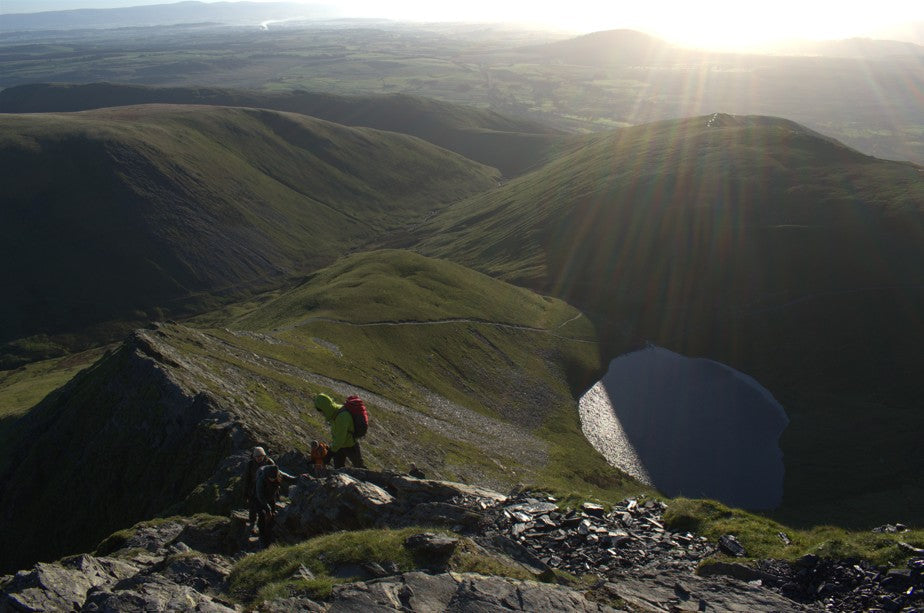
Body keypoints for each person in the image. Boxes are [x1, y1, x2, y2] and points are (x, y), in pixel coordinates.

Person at [314, 393, 366, 469]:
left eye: (321, 410)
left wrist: (330, 454)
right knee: (338, 469)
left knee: (360, 468)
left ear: (324, 408)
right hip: (340, 446)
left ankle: (371, 480)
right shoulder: (333, 412)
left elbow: (340, 439)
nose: (321, 413)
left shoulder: (341, 416)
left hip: (350, 445)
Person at [253, 463, 295, 547]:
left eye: (274, 478)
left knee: (272, 517)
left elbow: (289, 478)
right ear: (267, 475)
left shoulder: (278, 474)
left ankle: (269, 536)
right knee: (262, 516)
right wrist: (267, 509)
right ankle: (262, 538)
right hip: (259, 499)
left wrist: (299, 477)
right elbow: (260, 496)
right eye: (270, 478)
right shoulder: (261, 479)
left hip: (271, 497)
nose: (272, 479)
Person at [242, 446, 275, 535]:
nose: (258, 458)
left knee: (265, 508)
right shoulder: (250, 464)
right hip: (254, 489)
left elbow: (275, 476)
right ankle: (252, 525)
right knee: (252, 507)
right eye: (257, 457)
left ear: (264, 456)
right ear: (253, 457)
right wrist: (246, 493)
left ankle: (266, 527)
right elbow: (247, 479)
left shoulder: (269, 463)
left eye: (260, 456)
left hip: (266, 490)